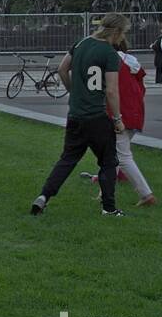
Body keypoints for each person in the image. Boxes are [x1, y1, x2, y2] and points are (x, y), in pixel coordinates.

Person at [30, 12, 128, 217]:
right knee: (109, 161)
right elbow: (111, 90)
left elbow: (62, 69)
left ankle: (44, 196)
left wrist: (74, 90)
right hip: (96, 116)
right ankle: (109, 208)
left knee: (67, 159)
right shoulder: (109, 53)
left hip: (75, 115)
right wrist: (118, 119)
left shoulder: (80, 43)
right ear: (116, 31)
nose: (122, 38)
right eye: (123, 33)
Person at [113, 40, 155, 207]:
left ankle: (146, 194)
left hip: (121, 114)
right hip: (135, 112)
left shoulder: (114, 63)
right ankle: (105, 191)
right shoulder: (132, 64)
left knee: (122, 156)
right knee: (114, 154)